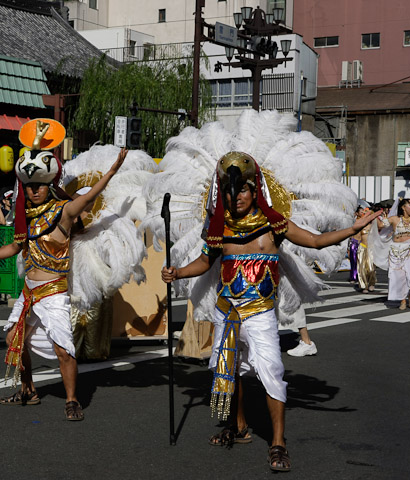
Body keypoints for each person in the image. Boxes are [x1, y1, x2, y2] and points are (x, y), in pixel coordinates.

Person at [161, 152, 380, 472]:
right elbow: (206, 262)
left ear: (254, 192)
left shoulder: (273, 224)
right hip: (228, 313)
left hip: (260, 313)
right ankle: (237, 427)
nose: (237, 197)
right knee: (228, 371)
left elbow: (316, 241)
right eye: (231, 192)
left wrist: (353, 228)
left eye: (243, 191)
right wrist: (177, 273)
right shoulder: (219, 227)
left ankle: (278, 443)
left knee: (271, 375)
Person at [0, 119, 128, 421]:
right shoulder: (25, 218)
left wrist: (111, 172)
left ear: (49, 184)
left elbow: (89, 197)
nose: (33, 191)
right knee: (14, 340)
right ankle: (28, 389)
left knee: (63, 350)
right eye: (28, 186)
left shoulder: (63, 213)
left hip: (54, 292)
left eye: (39, 185)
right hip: (29, 290)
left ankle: (71, 399)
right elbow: (15, 247)